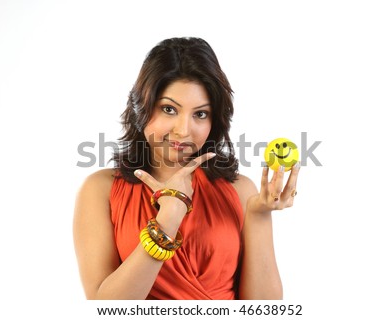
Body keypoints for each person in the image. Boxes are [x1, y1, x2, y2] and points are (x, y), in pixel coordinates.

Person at [73, 37, 301, 300]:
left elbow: (264, 311)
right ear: (141, 109)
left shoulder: (239, 190)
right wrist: (167, 220)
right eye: (169, 109)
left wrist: (259, 215)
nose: (183, 131)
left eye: (200, 114)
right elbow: (105, 309)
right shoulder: (100, 190)